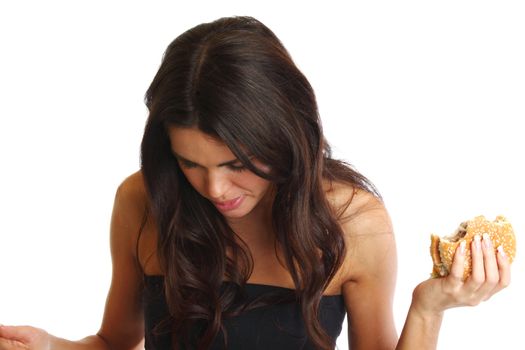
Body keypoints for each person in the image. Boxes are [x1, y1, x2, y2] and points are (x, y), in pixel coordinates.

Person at [0, 16, 511, 350]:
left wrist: (428, 310)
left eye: (236, 163)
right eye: (191, 164)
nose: (215, 189)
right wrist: (50, 346)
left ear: (285, 135)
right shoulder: (143, 200)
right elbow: (114, 343)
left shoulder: (354, 222)